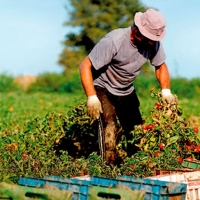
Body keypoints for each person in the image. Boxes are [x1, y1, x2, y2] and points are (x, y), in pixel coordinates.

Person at [79, 8, 177, 164]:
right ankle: (109, 167)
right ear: (138, 32)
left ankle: (136, 164)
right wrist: (91, 97)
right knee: (110, 126)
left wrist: (166, 91)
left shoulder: (153, 44)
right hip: (102, 86)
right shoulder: (114, 41)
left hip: (125, 88)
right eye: (149, 39)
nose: (152, 43)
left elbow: (160, 66)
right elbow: (85, 66)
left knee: (137, 130)